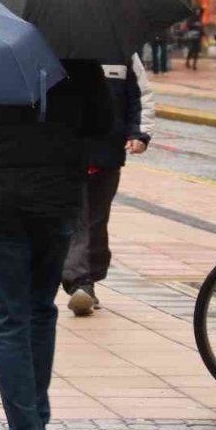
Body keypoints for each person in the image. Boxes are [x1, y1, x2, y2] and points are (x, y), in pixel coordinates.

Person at [0, 61, 112, 430]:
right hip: (57, 196)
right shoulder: (76, 56)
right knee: (40, 309)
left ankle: (27, 425)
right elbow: (101, 124)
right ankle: (34, 419)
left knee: (10, 317)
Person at [63, 54, 154, 316]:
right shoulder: (59, 47)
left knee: (97, 220)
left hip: (108, 153)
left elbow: (140, 95)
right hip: (68, 152)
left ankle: (90, 277)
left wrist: (140, 133)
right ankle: (80, 283)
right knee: (78, 219)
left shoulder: (123, 51)